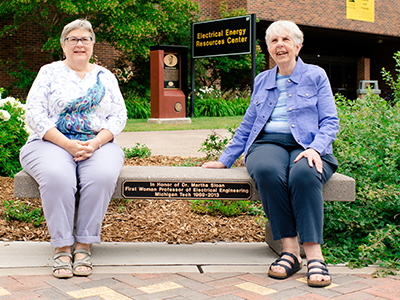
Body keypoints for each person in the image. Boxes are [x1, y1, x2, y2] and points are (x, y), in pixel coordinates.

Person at [202, 20, 339, 288]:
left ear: (298, 45)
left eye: (286, 40)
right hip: (267, 143)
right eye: (274, 41)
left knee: (305, 174)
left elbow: (330, 121)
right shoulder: (263, 79)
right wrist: (225, 159)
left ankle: (314, 255)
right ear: (268, 49)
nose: (280, 45)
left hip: (309, 145)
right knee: (267, 170)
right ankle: (290, 252)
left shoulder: (316, 75)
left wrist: (315, 148)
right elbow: (248, 123)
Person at [20, 19, 127, 278]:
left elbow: (119, 115)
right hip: (50, 141)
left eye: (85, 39)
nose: (80, 44)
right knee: (58, 176)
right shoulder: (49, 72)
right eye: (73, 39)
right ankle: (62, 247)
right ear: (63, 45)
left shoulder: (106, 77)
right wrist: (67, 144)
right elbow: (34, 113)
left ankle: (84, 245)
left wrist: (96, 142)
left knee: (101, 176)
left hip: (97, 142)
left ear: (92, 45)